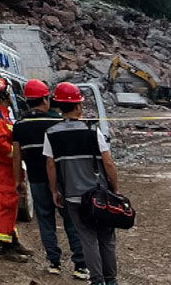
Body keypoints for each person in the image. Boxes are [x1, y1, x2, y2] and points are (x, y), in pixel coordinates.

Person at [44, 82, 121, 285]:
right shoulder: (92, 132)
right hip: (100, 195)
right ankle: (111, 280)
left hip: (72, 196)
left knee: (87, 239)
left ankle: (97, 281)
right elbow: (109, 163)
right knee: (106, 239)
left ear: (59, 107)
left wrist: (54, 191)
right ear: (78, 106)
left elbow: (51, 166)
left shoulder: (51, 134)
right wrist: (115, 189)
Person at [13, 79, 89, 279]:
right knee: (71, 221)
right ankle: (80, 265)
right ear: (46, 99)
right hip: (61, 180)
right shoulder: (56, 123)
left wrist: (18, 180)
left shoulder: (19, 126)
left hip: (36, 180)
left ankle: (54, 263)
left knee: (45, 221)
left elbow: (17, 156)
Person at [0, 76, 34, 262]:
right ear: (2, 94)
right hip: (3, 168)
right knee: (6, 204)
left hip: (8, 167)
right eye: (8, 92)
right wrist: (17, 153)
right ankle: (5, 247)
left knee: (11, 203)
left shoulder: (2, 114)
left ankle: (12, 240)